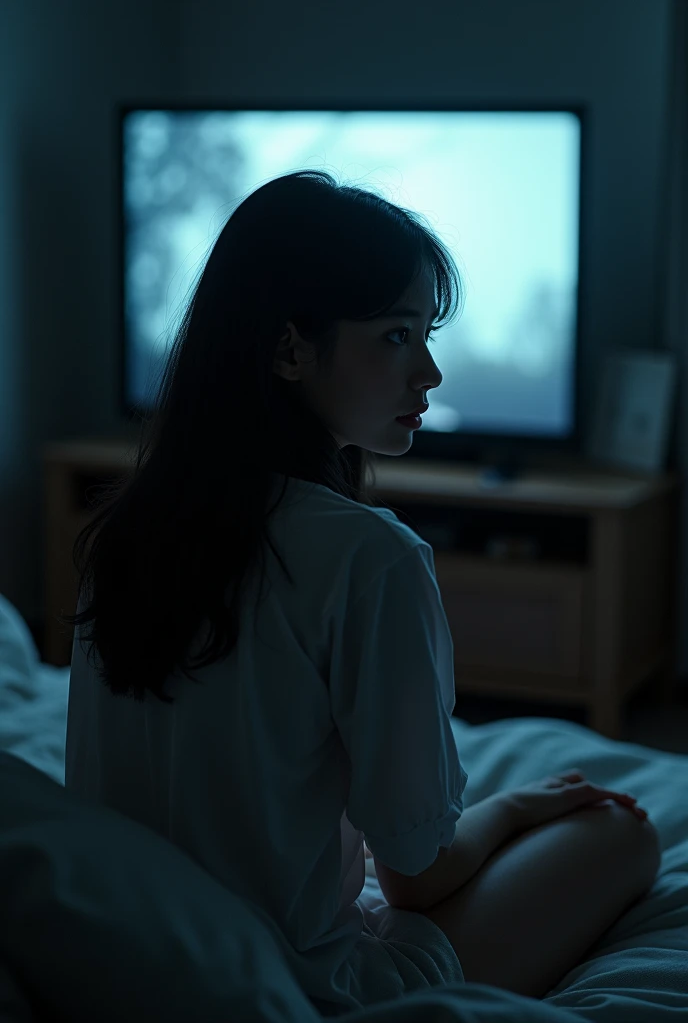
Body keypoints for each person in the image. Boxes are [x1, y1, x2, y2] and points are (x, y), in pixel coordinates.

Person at [63, 170, 660, 1015]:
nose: (431, 372)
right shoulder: (371, 560)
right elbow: (416, 879)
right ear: (289, 349)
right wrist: (516, 808)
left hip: (121, 956)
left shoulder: (120, 537)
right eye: (396, 336)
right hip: (297, 994)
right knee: (624, 834)